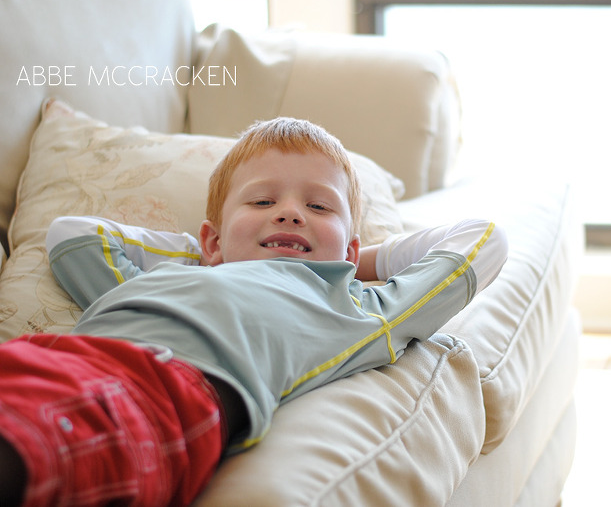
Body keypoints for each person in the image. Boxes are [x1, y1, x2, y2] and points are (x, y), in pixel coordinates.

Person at [0, 117, 508, 506]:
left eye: (320, 207)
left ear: (350, 251)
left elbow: (482, 240)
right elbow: (73, 234)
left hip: (157, 393)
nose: (289, 212)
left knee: (30, 450)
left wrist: (355, 264)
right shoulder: (172, 276)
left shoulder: (355, 308)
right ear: (212, 240)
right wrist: (212, 255)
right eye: (262, 201)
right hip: (54, 354)